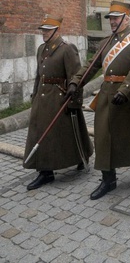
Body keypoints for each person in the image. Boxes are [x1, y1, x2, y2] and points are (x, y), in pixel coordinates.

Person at [68, 1, 130, 200]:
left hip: (129, 95)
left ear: (125, 19)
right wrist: (75, 82)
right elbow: (91, 65)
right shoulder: (106, 42)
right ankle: (108, 179)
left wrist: (126, 89)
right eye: (110, 18)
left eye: (115, 18)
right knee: (104, 136)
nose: (112, 22)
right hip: (106, 95)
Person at [24, 14, 93, 190]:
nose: (44, 33)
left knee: (69, 130)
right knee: (39, 131)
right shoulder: (41, 49)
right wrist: (35, 95)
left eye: (47, 30)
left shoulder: (66, 49)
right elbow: (39, 76)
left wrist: (75, 103)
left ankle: (80, 156)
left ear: (57, 30)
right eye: (43, 30)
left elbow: (76, 76)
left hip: (60, 97)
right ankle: (45, 172)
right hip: (42, 98)